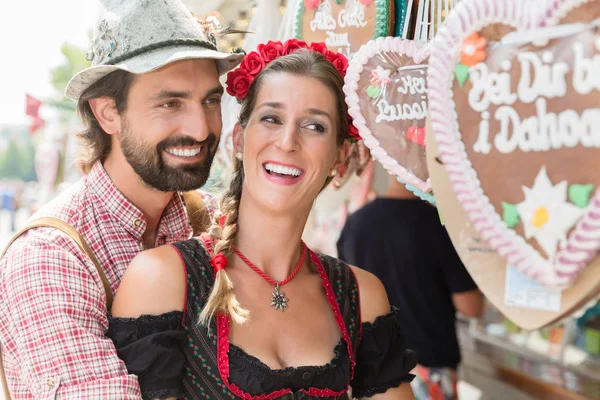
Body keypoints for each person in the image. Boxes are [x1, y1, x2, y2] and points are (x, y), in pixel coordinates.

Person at [108, 39, 417, 399]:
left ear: (340, 155)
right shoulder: (163, 278)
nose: (287, 142)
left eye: (314, 126)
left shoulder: (360, 296)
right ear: (239, 139)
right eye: (271, 119)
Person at [0, 0, 243, 398]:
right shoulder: (50, 257)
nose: (201, 129)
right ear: (108, 112)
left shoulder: (213, 221)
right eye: (170, 103)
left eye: (211, 101)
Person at [337, 175, 485, 400]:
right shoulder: (439, 226)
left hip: (373, 374)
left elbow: (345, 303)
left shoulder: (354, 225)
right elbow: (471, 307)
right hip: (430, 368)